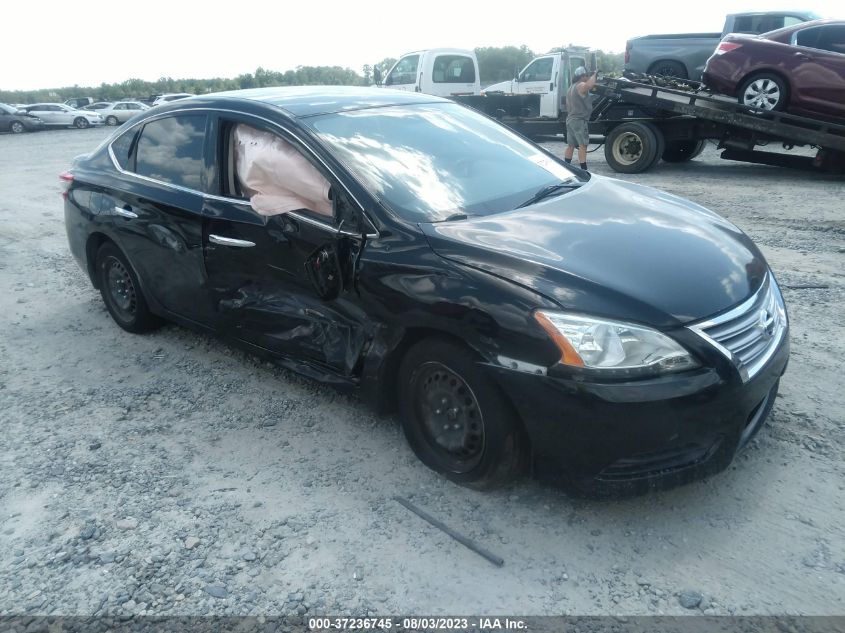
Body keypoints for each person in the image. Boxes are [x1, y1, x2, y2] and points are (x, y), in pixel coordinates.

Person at [564, 66, 597, 171]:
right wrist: (595, 74)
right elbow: (589, 85)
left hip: (570, 119)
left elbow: (568, 106)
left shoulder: (570, 88)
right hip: (579, 120)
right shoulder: (580, 85)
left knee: (571, 145)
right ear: (583, 76)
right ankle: (584, 169)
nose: (587, 78)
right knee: (583, 145)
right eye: (586, 76)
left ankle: (566, 167)